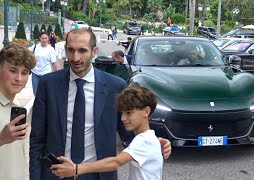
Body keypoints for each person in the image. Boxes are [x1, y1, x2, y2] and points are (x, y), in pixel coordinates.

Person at [29, 28, 171, 180]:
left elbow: (127, 131)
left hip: (98, 175)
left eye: (82, 51)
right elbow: (37, 139)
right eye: (71, 50)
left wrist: (151, 142)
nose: (76, 57)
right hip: (57, 173)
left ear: (94, 51)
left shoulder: (115, 86)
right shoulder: (48, 84)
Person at [51, 86, 163, 180]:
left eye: (129, 113)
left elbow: (116, 162)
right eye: (122, 113)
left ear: (146, 112)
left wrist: (75, 169)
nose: (123, 118)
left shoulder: (144, 140)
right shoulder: (147, 139)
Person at [0, 42, 36, 180]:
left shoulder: (15, 109)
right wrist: (1, 138)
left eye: (25, 73)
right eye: (13, 71)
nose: (19, 79)